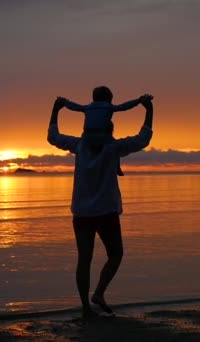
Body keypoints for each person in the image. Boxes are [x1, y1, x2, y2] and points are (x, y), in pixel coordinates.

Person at [47, 93, 154, 319]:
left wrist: (56, 110)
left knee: (83, 260)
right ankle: (99, 293)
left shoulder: (79, 145)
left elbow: (53, 136)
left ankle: (86, 307)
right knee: (115, 255)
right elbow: (143, 138)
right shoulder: (113, 147)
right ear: (109, 130)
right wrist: (148, 110)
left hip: (82, 213)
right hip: (106, 212)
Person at [57, 86, 148, 176]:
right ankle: (117, 167)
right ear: (108, 99)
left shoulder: (88, 107)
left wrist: (64, 102)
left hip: (87, 138)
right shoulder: (108, 107)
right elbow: (124, 106)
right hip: (103, 137)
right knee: (114, 146)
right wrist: (138, 101)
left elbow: (74, 106)